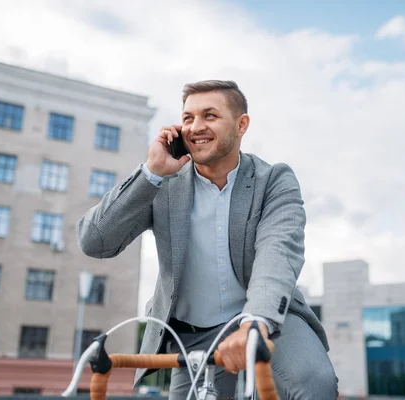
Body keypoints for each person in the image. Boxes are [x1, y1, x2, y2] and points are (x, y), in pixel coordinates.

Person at [77, 80, 338, 399]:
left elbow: (278, 253)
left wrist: (255, 322)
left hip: (263, 317)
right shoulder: (162, 181)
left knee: (314, 382)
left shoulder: (273, 180)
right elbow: (94, 241)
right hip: (193, 332)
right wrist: (152, 174)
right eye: (188, 118)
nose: (195, 127)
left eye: (210, 115)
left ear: (241, 125)